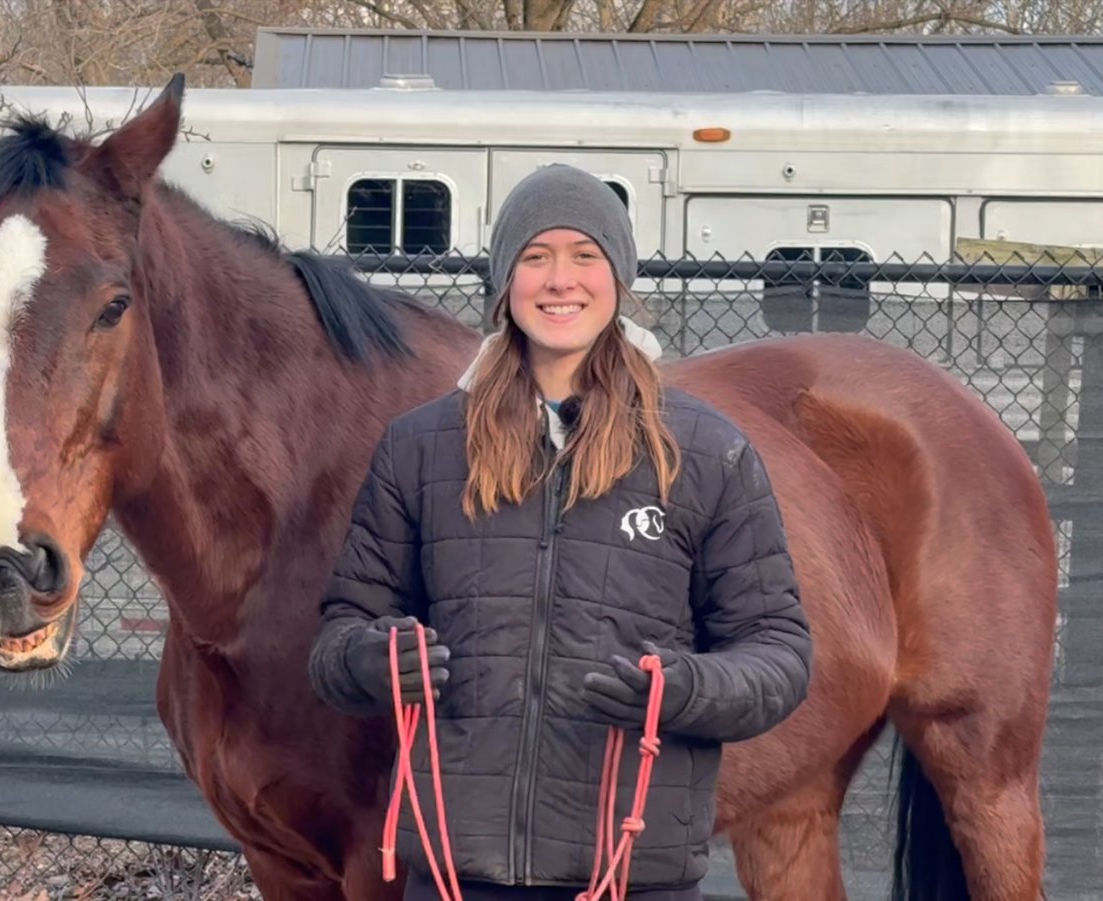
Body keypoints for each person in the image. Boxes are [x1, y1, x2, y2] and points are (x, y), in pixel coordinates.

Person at [307, 163, 813, 901]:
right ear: (505, 282)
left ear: (619, 277)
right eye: (535, 257)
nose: (560, 280)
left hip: (633, 875)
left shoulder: (705, 451)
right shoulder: (421, 447)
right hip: (455, 875)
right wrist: (373, 661)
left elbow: (780, 653)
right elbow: (336, 639)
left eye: (585, 256)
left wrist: (685, 688)